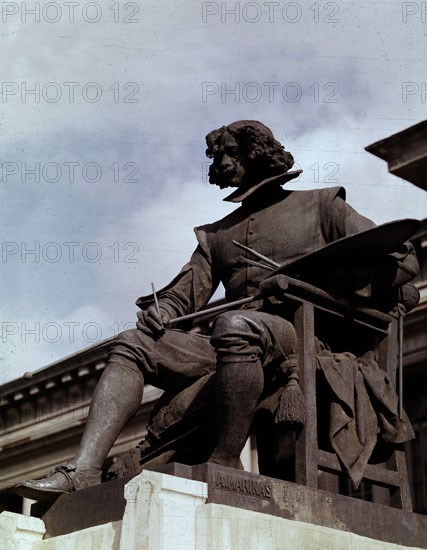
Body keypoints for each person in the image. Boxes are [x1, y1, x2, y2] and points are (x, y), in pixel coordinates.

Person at [15, 120, 419, 500]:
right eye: (216, 157)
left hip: (307, 337)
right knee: (133, 343)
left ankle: (224, 460)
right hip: (236, 337)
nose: (220, 164)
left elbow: (404, 262)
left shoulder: (322, 205)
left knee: (233, 324)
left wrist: (328, 282)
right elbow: (182, 296)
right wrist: (162, 310)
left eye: (229, 154)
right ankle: (84, 469)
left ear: (257, 154)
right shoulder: (216, 236)